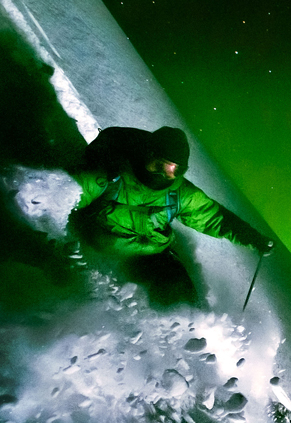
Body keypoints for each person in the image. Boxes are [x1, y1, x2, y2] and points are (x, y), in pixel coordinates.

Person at [70, 126, 273, 307]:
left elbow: (214, 217)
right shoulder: (110, 176)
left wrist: (253, 238)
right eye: (159, 165)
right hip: (98, 251)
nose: (164, 174)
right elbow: (71, 192)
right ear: (146, 156)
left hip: (151, 258)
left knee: (179, 290)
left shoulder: (180, 194)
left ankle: (193, 335)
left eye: (173, 170)